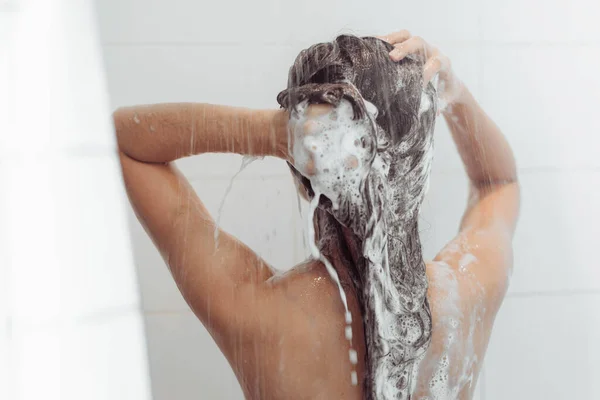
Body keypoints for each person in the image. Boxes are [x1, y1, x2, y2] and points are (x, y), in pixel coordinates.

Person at [114, 30, 519, 400]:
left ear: (301, 166)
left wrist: (271, 134)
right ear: (415, 162)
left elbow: (123, 143)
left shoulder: (260, 312)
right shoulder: (465, 294)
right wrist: (452, 90)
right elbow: (498, 183)